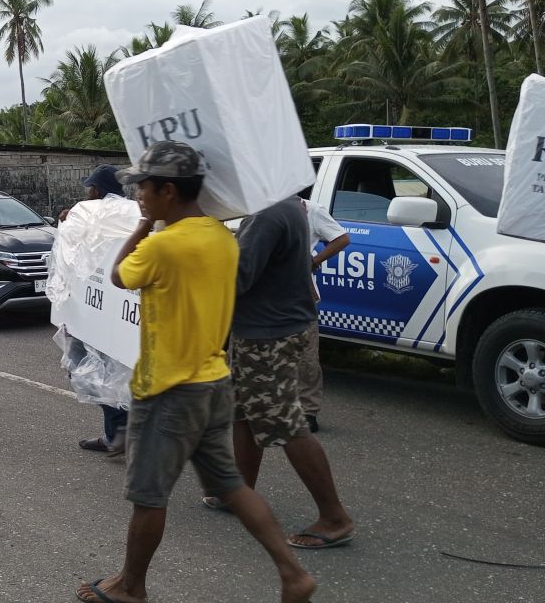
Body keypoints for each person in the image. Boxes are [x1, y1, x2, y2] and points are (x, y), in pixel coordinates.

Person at [76, 142, 315, 603]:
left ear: (168, 190)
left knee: (148, 494)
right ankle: (292, 573)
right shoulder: (223, 237)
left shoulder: (164, 245)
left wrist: (145, 226)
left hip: (167, 387)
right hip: (212, 380)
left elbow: (120, 275)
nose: (138, 196)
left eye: (143, 187)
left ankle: (130, 585)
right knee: (230, 484)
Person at [223, 194, 355, 551]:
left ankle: (334, 517)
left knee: (283, 422)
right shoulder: (289, 205)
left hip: (268, 333)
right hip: (266, 326)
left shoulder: (266, 213)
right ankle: (240, 492)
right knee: (244, 413)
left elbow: (236, 279)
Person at [66, 164, 130, 457]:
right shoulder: (131, 213)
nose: (86, 192)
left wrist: (69, 222)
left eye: (89, 187)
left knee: (87, 367)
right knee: (111, 369)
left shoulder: (88, 215)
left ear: (98, 190)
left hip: (93, 307)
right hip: (115, 308)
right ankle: (115, 431)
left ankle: (117, 431)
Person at [301, 195, 350, 433]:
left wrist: (315, 260)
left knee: (307, 356)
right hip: (271, 292)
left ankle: (308, 411)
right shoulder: (263, 208)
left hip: (301, 294)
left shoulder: (311, 210)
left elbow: (341, 238)